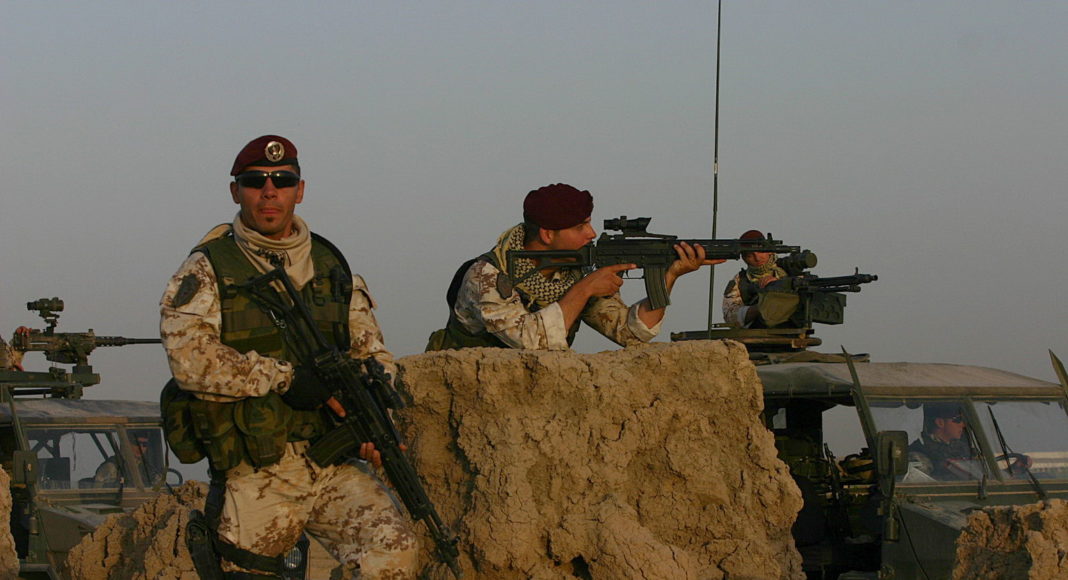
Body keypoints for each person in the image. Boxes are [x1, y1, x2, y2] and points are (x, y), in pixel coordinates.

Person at [160, 135, 417, 578]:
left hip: (331, 462)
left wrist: (372, 411)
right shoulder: (209, 266)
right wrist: (285, 378)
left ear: (299, 190)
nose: (269, 191)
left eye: (282, 181)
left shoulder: (330, 264)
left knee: (393, 551)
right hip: (259, 469)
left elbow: (372, 353)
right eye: (254, 181)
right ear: (235, 191)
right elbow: (189, 358)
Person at [426, 183, 721, 350]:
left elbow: (631, 334)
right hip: (464, 395)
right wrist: (584, 289)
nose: (591, 234)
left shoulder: (572, 273)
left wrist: (670, 275)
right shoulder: (487, 275)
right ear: (547, 234)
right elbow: (531, 342)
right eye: (580, 227)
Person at [722, 229, 796, 328]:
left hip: (791, 332)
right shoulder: (740, 280)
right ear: (744, 258)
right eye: (750, 255)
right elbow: (730, 316)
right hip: (757, 334)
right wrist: (761, 307)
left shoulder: (789, 268)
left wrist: (781, 284)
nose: (757, 258)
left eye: (761, 251)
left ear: (769, 251)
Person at [906, 402, 975, 480]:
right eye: (958, 419)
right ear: (940, 422)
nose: (963, 425)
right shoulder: (918, 455)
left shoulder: (963, 449)